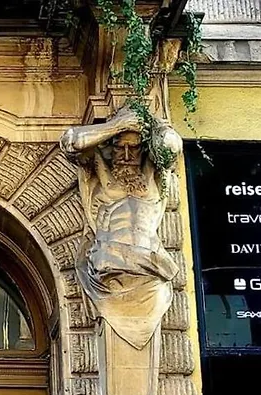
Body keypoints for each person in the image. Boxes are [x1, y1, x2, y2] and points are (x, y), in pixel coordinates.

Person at [60, 105, 182, 349]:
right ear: (110, 146)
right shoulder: (99, 168)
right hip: (109, 268)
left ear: (144, 148)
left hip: (150, 269)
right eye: (119, 147)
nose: (126, 155)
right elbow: (71, 142)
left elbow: (171, 146)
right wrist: (118, 126)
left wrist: (149, 123)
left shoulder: (153, 173)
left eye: (134, 148)